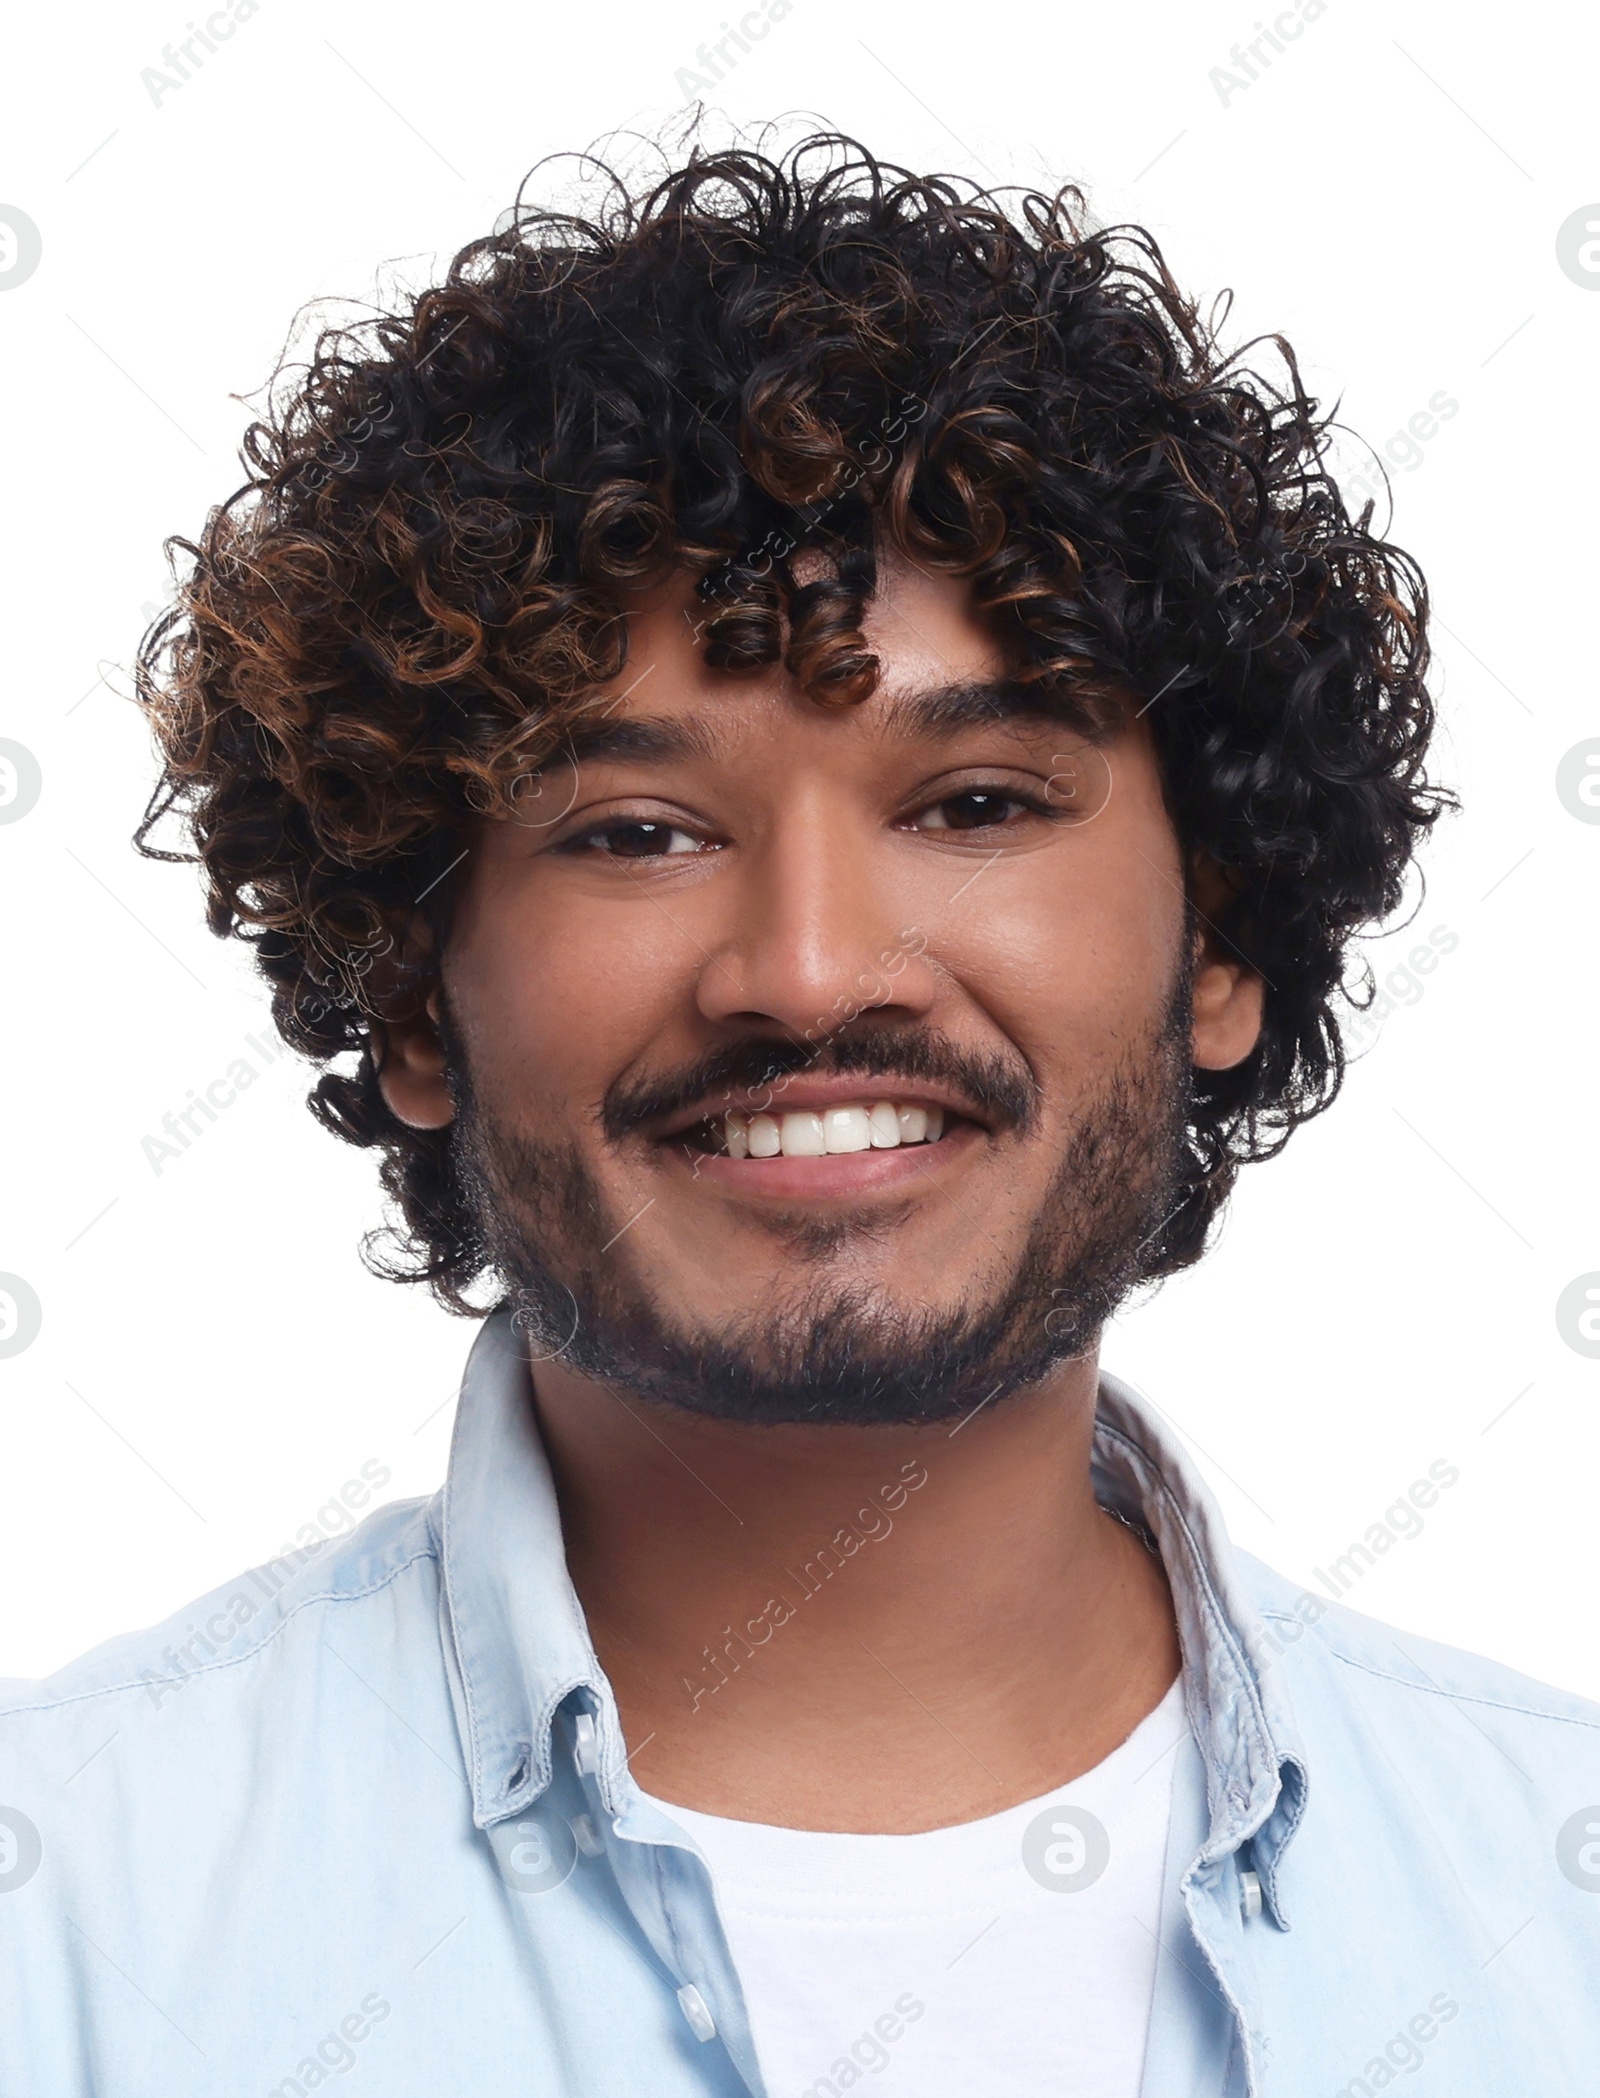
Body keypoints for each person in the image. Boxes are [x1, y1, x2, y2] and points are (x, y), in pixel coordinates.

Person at [2, 134, 1595, 2098]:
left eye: (977, 802)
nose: (812, 967)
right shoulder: (62, 1924)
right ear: (412, 986)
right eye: (638, 829)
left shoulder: (1553, 1903)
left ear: (1220, 939)